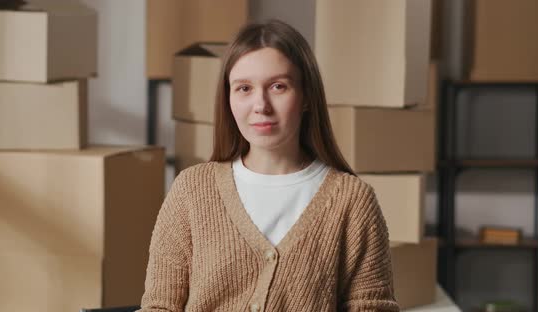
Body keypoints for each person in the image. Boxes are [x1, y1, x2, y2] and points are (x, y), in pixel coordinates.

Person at [139, 19, 399, 312]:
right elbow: (159, 306)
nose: (260, 105)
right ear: (228, 99)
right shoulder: (192, 190)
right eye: (244, 88)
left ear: (306, 97)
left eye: (278, 86)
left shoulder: (352, 201)